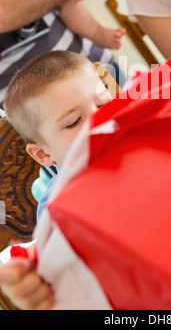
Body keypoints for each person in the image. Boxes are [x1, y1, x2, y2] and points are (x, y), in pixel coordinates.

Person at [0, 50, 114, 310]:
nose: (100, 119)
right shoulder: (59, 208)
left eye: (104, 103)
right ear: (43, 154)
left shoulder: (139, 139)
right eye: (74, 122)